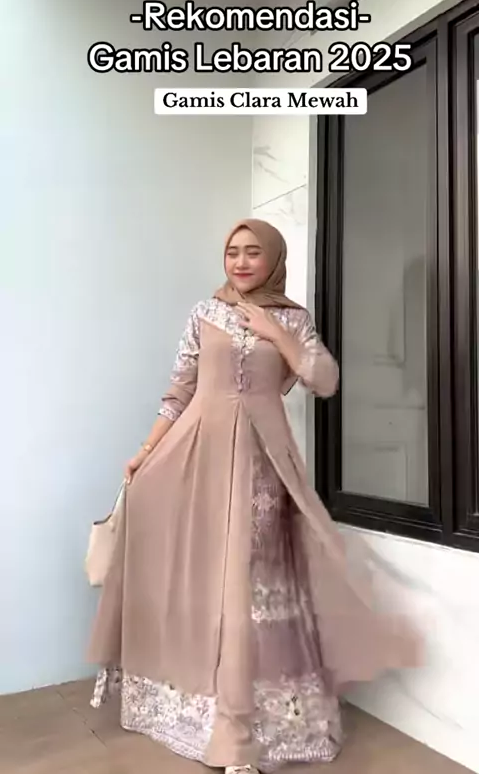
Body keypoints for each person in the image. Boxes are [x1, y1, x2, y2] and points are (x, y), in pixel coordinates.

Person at [88, 219, 420, 774]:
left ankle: (245, 730)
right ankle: (201, 716)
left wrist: (275, 333)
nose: (241, 262)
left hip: (264, 464)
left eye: (252, 253)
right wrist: (145, 453)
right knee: (206, 575)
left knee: (250, 579)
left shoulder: (293, 318)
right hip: (198, 458)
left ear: (273, 260)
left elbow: (325, 380)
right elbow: (180, 389)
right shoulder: (205, 313)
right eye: (232, 253)